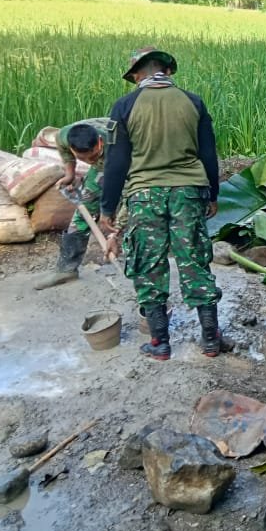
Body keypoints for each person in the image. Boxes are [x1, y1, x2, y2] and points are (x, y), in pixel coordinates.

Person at [99, 47, 221, 361]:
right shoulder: (192, 102)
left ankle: (160, 343)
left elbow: (116, 163)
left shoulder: (125, 106)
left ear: (138, 74)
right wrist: (213, 194)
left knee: (149, 265)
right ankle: (210, 340)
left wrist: (107, 210)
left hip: (144, 195)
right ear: (166, 71)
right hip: (189, 192)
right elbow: (209, 154)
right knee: (194, 260)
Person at [33, 119, 111, 290]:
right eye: (84, 159)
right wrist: (70, 174)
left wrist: (112, 214)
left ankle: (142, 272)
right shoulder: (64, 136)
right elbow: (66, 153)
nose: (89, 161)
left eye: (93, 156)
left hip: (131, 164)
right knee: (84, 210)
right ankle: (67, 270)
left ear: (100, 142)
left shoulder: (116, 140)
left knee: (135, 209)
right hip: (102, 167)